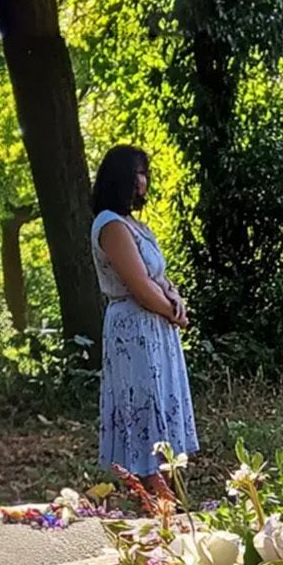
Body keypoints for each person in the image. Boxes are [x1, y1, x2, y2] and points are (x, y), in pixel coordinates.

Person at [90, 145, 198, 487]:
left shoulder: (135, 225)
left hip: (155, 328)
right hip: (133, 332)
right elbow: (139, 286)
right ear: (120, 177)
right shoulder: (110, 225)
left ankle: (173, 494)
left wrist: (175, 298)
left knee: (163, 404)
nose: (143, 181)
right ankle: (156, 499)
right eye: (137, 173)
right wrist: (175, 315)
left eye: (145, 173)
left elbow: (158, 277)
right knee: (145, 408)